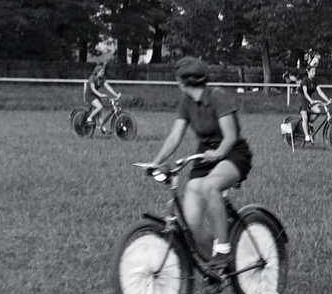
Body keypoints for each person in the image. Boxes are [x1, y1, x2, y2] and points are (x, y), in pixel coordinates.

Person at [143, 58, 253, 274]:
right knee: (191, 225)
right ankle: (219, 267)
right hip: (204, 157)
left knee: (210, 187)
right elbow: (175, 137)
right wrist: (155, 162)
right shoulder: (186, 103)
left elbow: (231, 136)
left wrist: (219, 153)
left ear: (183, 82)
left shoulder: (217, 96)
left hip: (232, 153)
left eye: (177, 80)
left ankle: (223, 249)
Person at [296, 54, 331, 144]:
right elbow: (305, 92)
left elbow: (320, 91)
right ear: (308, 72)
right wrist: (311, 101)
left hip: (308, 100)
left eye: (315, 71)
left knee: (318, 111)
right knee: (304, 117)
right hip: (302, 100)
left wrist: (327, 100)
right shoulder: (305, 80)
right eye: (312, 71)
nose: (314, 73)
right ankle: (307, 136)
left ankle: (310, 124)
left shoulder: (314, 81)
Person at [84, 59, 118, 131]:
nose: (103, 73)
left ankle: (103, 128)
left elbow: (108, 87)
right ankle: (89, 118)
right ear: (97, 72)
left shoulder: (101, 79)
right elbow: (93, 89)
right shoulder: (92, 78)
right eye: (102, 72)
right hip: (89, 95)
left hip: (95, 95)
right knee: (99, 107)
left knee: (100, 113)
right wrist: (101, 95)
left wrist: (116, 94)